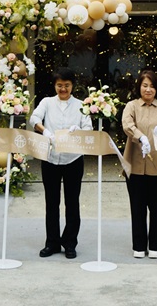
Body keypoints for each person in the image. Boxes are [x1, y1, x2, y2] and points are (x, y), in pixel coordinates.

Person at [29, 67, 92, 259]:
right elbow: (34, 118)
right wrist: (44, 131)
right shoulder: (47, 102)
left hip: (73, 159)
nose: (63, 89)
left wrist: (78, 131)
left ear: (73, 86)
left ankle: (70, 243)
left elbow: (88, 128)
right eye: (59, 85)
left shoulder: (81, 105)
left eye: (66, 85)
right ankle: (52, 243)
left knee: (72, 203)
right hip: (50, 158)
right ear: (54, 86)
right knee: (52, 203)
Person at [121, 69, 157, 259]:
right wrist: (141, 137)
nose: (148, 89)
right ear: (139, 87)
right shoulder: (132, 106)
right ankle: (138, 245)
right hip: (135, 164)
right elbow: (127, 124)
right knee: (137, 206)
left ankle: (155, 245)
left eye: (152, 86)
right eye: (145, 85)